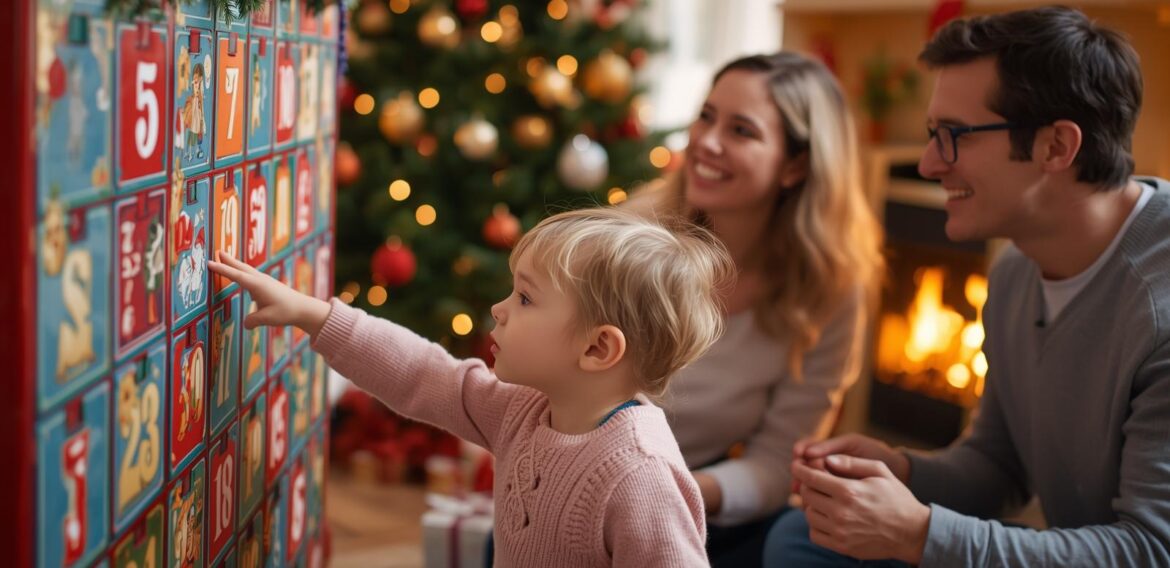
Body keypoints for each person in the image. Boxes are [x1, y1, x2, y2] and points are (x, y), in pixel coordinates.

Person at [768, 6, 1170, 567]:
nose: (931, 164)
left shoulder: (1159, 305)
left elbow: (1150, 551)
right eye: (934, 134)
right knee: (798, 536)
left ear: (1056, 147)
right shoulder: (1015, 269)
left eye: (954, 136)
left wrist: (917, 534)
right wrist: (900, 472)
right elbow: (1000, 466)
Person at [210, 207, 735, 567]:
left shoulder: (641, 476)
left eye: (525, 299)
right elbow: (423, 372)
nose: (498, 309)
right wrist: (313, 315)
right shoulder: (522, 410)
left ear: (598, 349)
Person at [626, 51, 884, 567]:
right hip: (580, 487)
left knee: (799, 536)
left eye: (741, 130)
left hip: (699, 498)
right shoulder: (627, 242)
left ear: (796, 165)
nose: (707, 142)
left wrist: (679, 491)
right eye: (706, 116)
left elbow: (777, 461)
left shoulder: (829, 289)